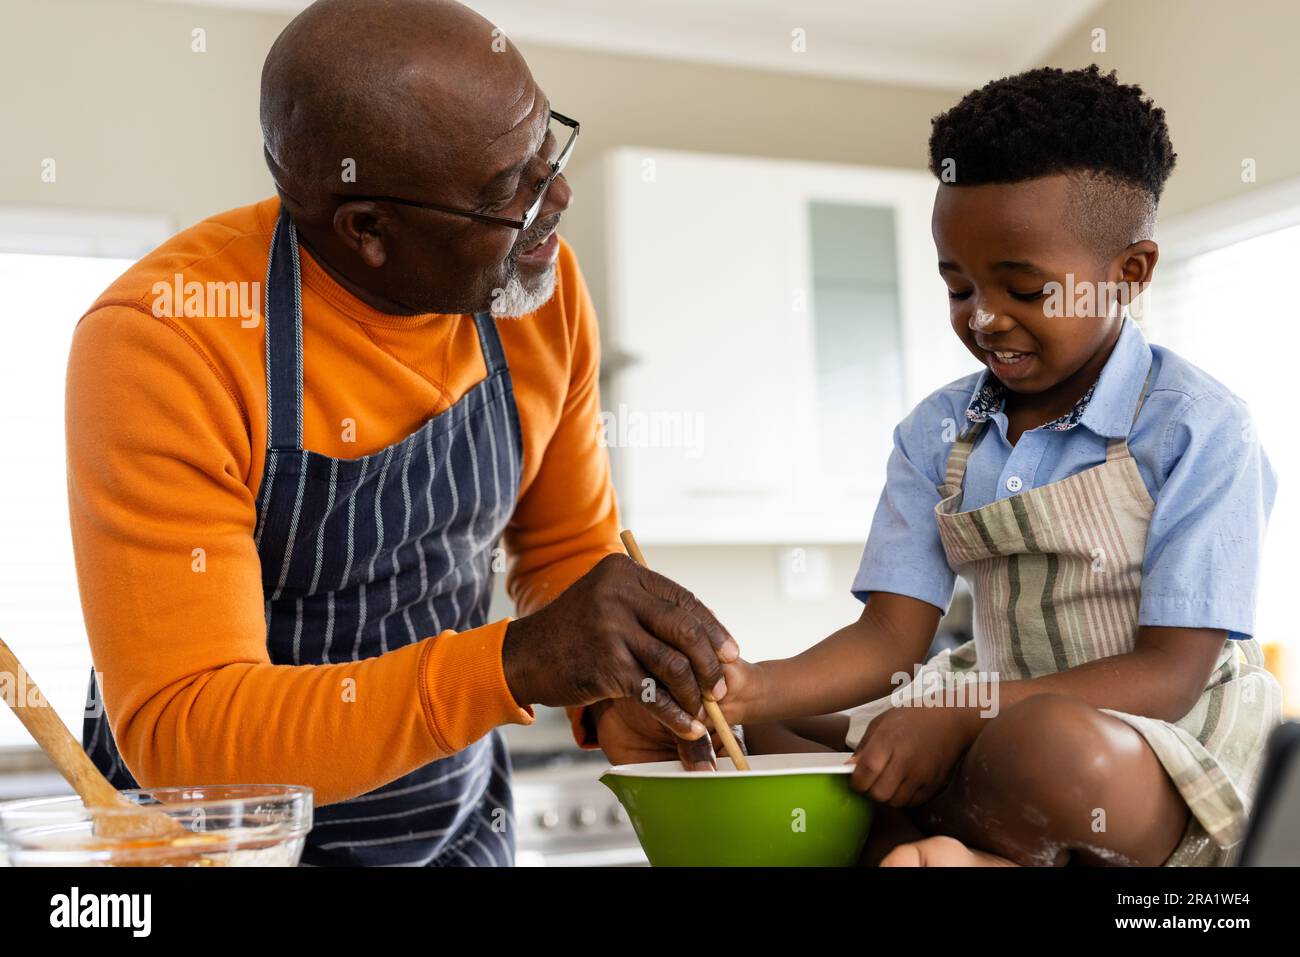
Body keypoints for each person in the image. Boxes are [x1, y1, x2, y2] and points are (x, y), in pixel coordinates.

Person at [65, 0, 734, 867]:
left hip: (452, 830)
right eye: (509, 193)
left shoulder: (536, 288)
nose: (557, 198)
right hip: (223, 848)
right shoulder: (167, 337)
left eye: (547, 148)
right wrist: (516, 661)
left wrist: (620, 687)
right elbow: (187, 733)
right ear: (369, 230)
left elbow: (567, 547)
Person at [712, 66, 1283, 866]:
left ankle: (934, 841)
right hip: (981, 706)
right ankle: (952, 847)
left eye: (1023, 288)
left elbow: (1169, 674)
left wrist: (962, 716)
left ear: (1132, 272)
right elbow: (887, 640)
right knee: (779, 727)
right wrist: (752, 686)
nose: (983, 317)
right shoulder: (935, 431)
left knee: (1047, 745)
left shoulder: (1197, 426)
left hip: (1141, 745)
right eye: (959, 287)